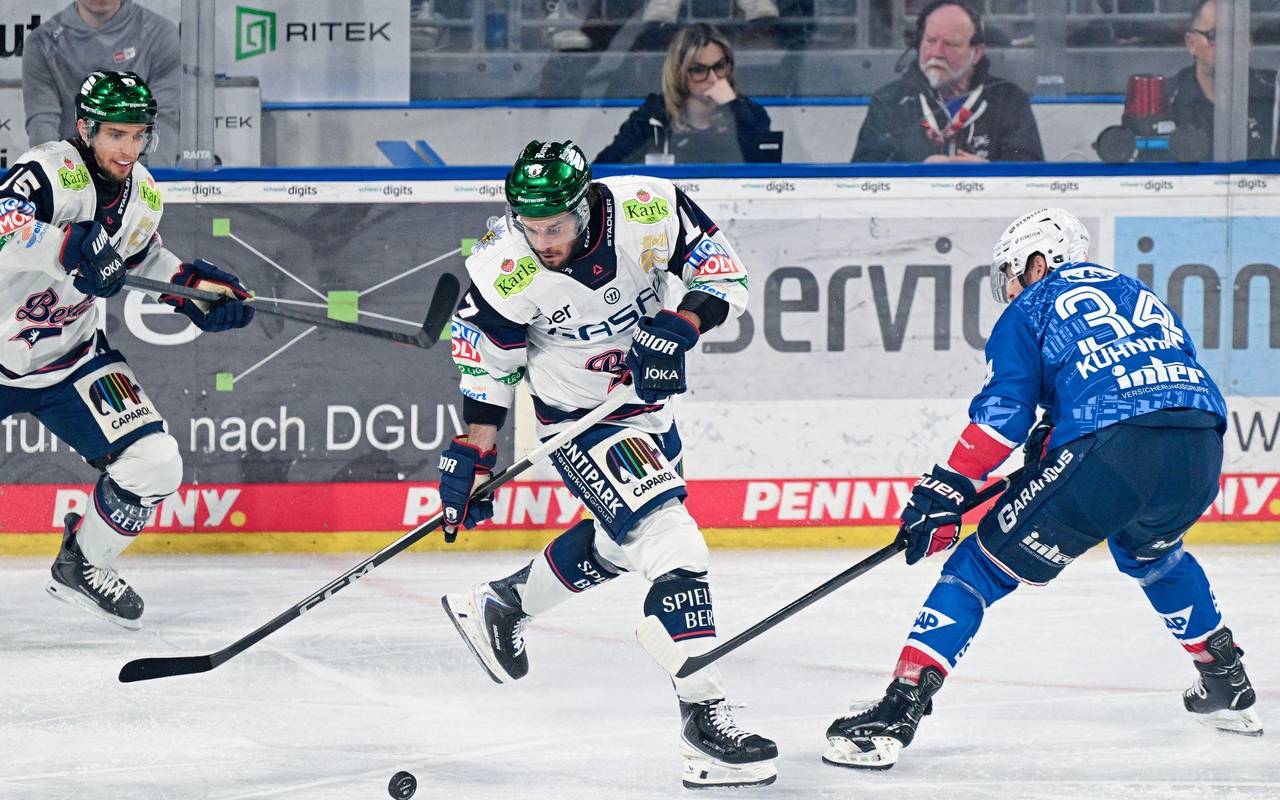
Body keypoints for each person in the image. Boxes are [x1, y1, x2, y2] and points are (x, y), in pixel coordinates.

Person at [822, 208, 1263, 771]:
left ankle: (895, 714)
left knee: (975, 569)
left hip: (1111, 449)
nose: (1008, 287)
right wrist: (1061, 433)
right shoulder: (1135, 291)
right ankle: (1224, 676)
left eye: (1011, 271)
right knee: (1150, 553)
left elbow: (1004, 413)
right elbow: (1156, 375)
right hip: (1200, 445)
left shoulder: (1031, 305)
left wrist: (944, 490)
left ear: (1038, 261)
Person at [438, 140, 777, 788]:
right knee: (669, 541)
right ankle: (705, 721)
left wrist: (680, 322)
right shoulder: (503, 269)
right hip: (580, 421)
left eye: (556, 227)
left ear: (586, 205)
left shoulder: (647, 206)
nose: (545, 242)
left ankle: (504, 605)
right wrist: (474, 452)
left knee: (619, 544)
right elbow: (487, 371)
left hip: (646, 407)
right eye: (531, 228)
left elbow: (723, 276)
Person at [0, 71, 255, 629]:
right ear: (85, 127)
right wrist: (67, 245)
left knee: (156, 462)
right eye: (116, 134)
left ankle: (83, 563)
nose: (129, 148)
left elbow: (139, 261)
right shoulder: (47, 171)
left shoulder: (143, 193)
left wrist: (192, 289)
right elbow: (3, 225)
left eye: (140, 135)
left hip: (70, 357)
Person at [851, 0, 1043, 163]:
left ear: (976, 53)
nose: (936, 53)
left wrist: (989, 173)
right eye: (930, 41)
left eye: (950, 44)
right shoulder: (889, 101)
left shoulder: (1009, 100)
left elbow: (1029, 168)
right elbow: (865, 173)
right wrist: (918, 174)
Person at [21, 0, 180, 168]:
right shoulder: (42, 43)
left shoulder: (159, 34)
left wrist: (153, 184)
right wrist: (57, 180)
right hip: (72, 175)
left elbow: (163, 118)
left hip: (138, 174)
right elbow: (43, 123)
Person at [594, 24, 772, 164]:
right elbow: (605, 165)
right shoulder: (654, 117)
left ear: (729, 66)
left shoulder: (752, 114)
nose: (713, 79)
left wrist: (734, 108)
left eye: (719, 67)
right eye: (699, 70)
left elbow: (767, 175)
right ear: (679, 72)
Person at [1168, 0, 1279, 160]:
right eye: (1215, 35)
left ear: (1249, 43)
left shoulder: (1274, 93)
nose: (1228, 44)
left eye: (1238, 35)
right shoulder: (1164, 98)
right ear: (1191, 43)